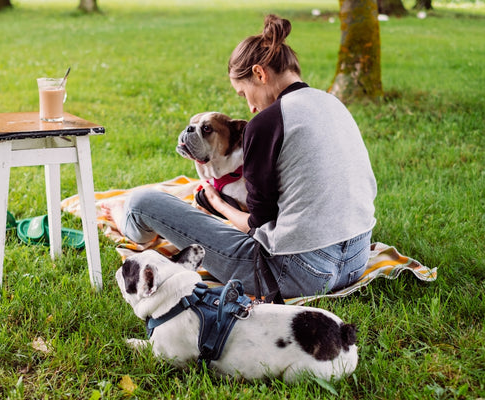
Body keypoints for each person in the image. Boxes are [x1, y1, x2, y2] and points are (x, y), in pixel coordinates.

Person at [118, 14, 377, 299]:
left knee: (141, 202)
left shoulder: (266, 123)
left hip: (294, 273)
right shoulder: (333, 103)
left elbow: (256, 222)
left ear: (260, 73)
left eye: (243, 94)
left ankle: (127, 227)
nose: (251, 107)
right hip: (356, 260)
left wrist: (217, 203)